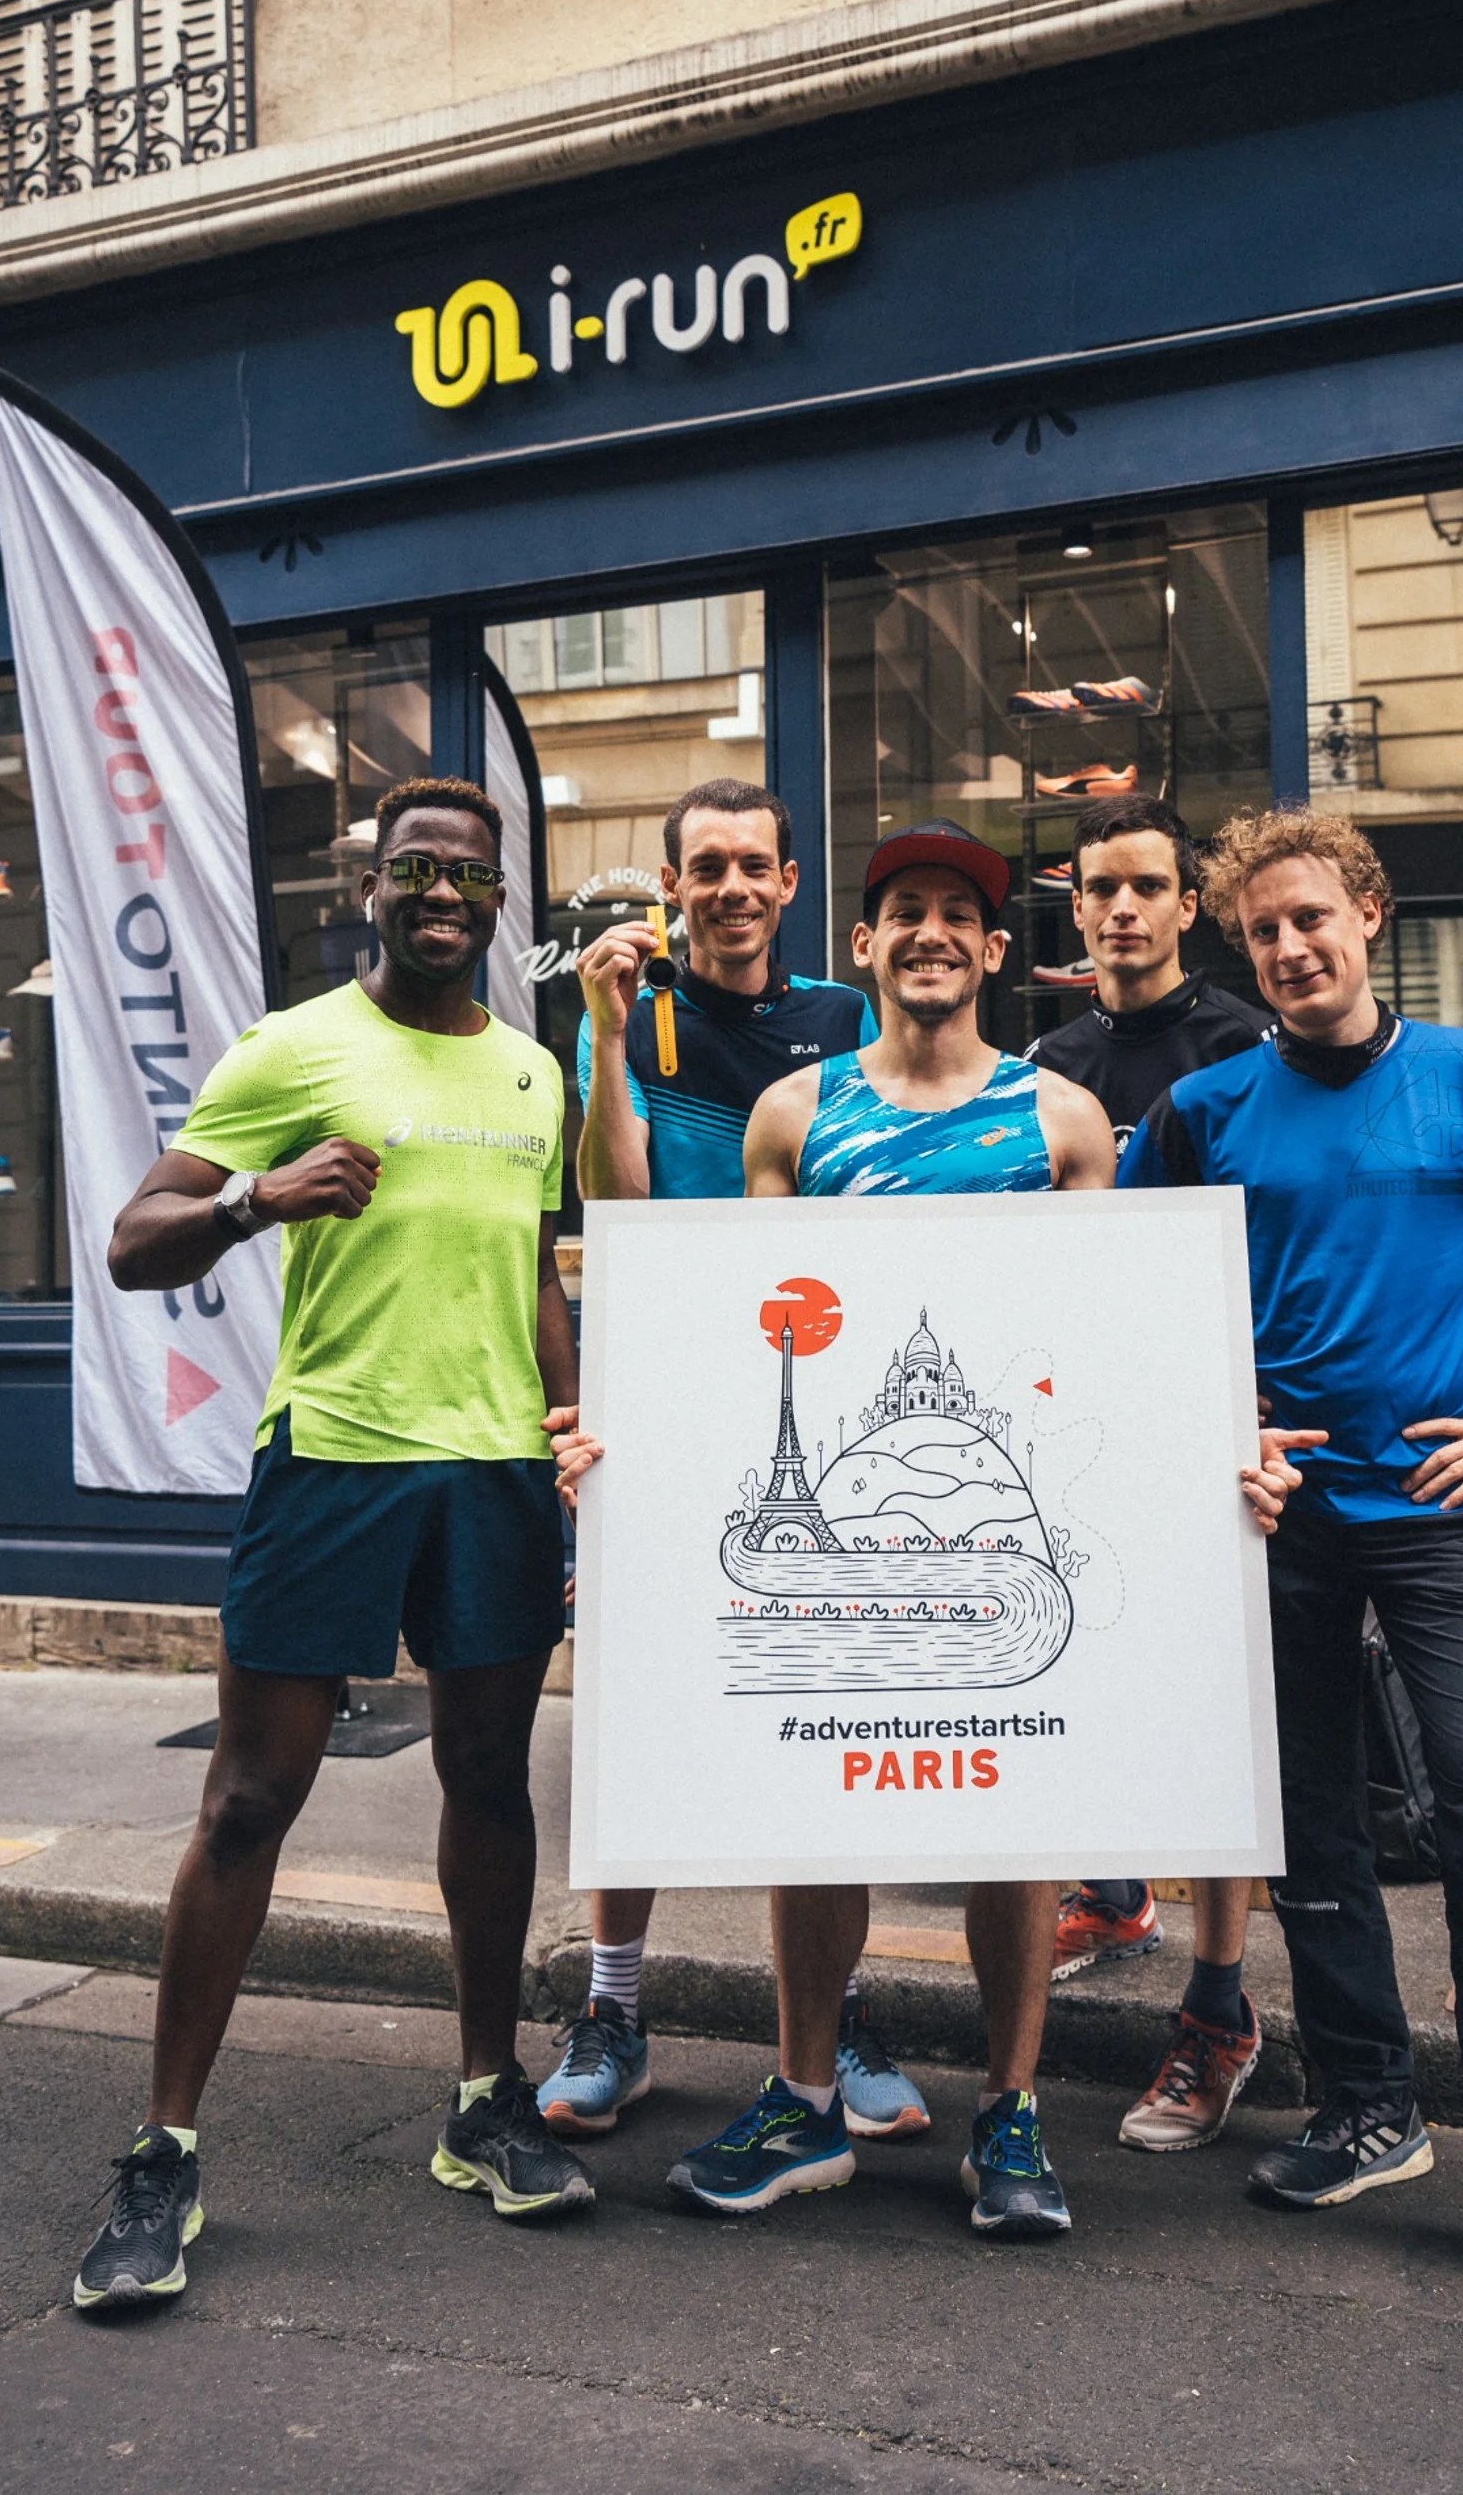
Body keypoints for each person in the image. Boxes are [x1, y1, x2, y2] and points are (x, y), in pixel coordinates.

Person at [658, 818, 1305, 2240]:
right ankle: (806, 2092)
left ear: (1000, 951)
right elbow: (742, 1336)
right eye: (907, 911)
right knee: (813, 1805)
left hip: (1014, 1510)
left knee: (1016, 1809)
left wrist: (1223, 1458)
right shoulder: (794, 1116)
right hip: (857, 1499)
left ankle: (1007, 2114)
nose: (933, 931)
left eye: (961, 912)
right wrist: (630, 1448)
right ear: (863, 944)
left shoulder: (1062, 1120)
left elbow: (1122, 1343)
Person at [1119, 807, 1463, 2338]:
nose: (1292, 950)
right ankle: (1368, 2107)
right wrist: (1219, 1412)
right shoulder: (1204, 1108)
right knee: (1309, 1828)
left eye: (1313, 918)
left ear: (1366, 913)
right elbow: (1118, 1296)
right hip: (1278, 1519)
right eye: (1264, 934)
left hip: (1438, 1515)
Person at [73, 778, 599, 2314]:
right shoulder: (292, 1048)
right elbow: (129, 1237)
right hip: (335, 1465)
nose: (443, 892)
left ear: (503, 900)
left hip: (495, 1471)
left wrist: (574, 1420)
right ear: (370, 885)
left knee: (492, 1786)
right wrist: (255, 1194)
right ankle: (163, 2150)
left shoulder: (529, 1071)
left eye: (470, 874)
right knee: (248, 1802)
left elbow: (532, 1269)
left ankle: (485, 2099)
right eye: (414, 868)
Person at [543, 778, 928, 2146]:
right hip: (663, 1388)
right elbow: (614, 1200)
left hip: (814, 1389)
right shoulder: (634, 1015)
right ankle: (614, 2008)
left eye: (752, 865)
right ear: (671, 883)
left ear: (788, 880)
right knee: (638, 1705)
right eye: (704, 867)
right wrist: (595, 1031)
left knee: (821, 1705)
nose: (730, 889)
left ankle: (836, 2019)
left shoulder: (841, 1018)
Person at [1026, 794, 1280, 2158]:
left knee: (1214, 1722)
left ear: (1190, 904)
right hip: (1082, 1410)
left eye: (1145, 887)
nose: (1120, 909)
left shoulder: (1244, 1039)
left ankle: (1220, 2006)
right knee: (1076, 1668)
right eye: (1098, 889)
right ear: (1076, 910)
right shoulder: (1049, 1057)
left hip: (1215, 1415)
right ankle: (1115, 1894)